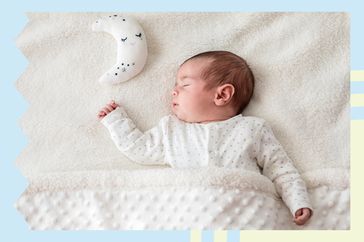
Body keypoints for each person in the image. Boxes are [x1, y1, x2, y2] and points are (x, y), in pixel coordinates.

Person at [97, 50, 313, 225]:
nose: (174, 91)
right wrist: (116, 121)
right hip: (190, 213)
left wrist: (298, 201)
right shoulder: (172, 130)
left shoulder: (252, 129)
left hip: (244, 212)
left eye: (185, 85)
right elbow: (140, 149)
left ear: (221, 95)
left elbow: (281, 169)